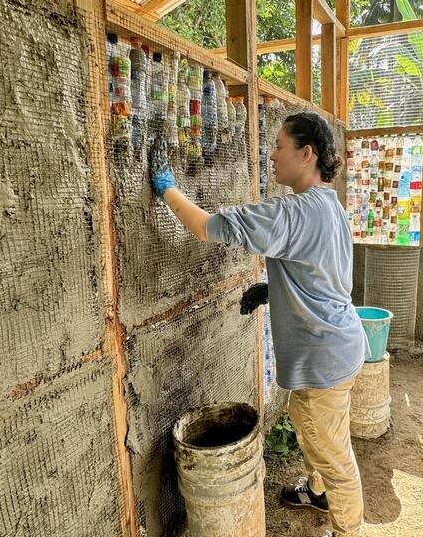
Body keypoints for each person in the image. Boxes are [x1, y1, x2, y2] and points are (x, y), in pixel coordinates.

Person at [150, 111, 367, 537]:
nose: (271, 155)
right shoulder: (330, 206)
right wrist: (275, 291)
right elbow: (325, 274)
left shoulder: (293, 212)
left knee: (332, 452)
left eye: (280, 147)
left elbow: (205, 227)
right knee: (313, 429)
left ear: (306, 155)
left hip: (325, 358)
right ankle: (318, 492)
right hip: (337, 347)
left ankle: (348, 529)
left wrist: (167, 189)